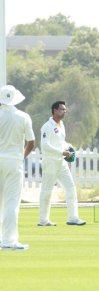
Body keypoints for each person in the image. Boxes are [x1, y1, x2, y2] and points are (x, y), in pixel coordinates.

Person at [38, 101, 86, 226]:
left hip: (61, 163)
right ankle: (43, 220)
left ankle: (73, 218)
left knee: (70, 188)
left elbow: (60, 142)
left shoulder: (62, 124)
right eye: (61, 109)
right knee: (47, 191)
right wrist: (62, 152)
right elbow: (45, 146)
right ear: (54, 110)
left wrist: (68, 146)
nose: (64, 112)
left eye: (65, 110)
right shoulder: (47, 126)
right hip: (50, 162)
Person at [0, 85, 35, 250]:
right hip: (14, 161)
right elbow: (31, 142)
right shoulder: (23, 117)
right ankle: (8, 241)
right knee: (11, 202)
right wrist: (22, 156)